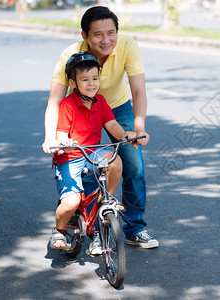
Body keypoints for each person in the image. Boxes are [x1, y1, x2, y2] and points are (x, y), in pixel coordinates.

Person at [43, 6, 158, 249]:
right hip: (79, 109)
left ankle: (134, 227)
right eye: (98, 34)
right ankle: (85, 218)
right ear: (85, 35)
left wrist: (138, 129)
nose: (106, 40)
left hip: (114, 107)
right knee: (80, 166)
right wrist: (50, 138)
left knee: (133, 165)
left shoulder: (127, 46)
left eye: (111, 33)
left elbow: (138, 90)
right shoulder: (70, 56)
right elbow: (55, 101)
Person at [50, 51, 137, 250]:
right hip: (71, 156)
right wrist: (65, 142)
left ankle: (106, 200)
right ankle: (59, 231)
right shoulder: (67, 104)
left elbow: (111, 123)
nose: (91, 84)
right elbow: (61, 133)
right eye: (85, 80)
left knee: (115, 162)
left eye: (95, 78)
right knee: (71, 202)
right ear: (73, 83)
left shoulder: (101, 101)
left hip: (92, 152)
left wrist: (124, 134)